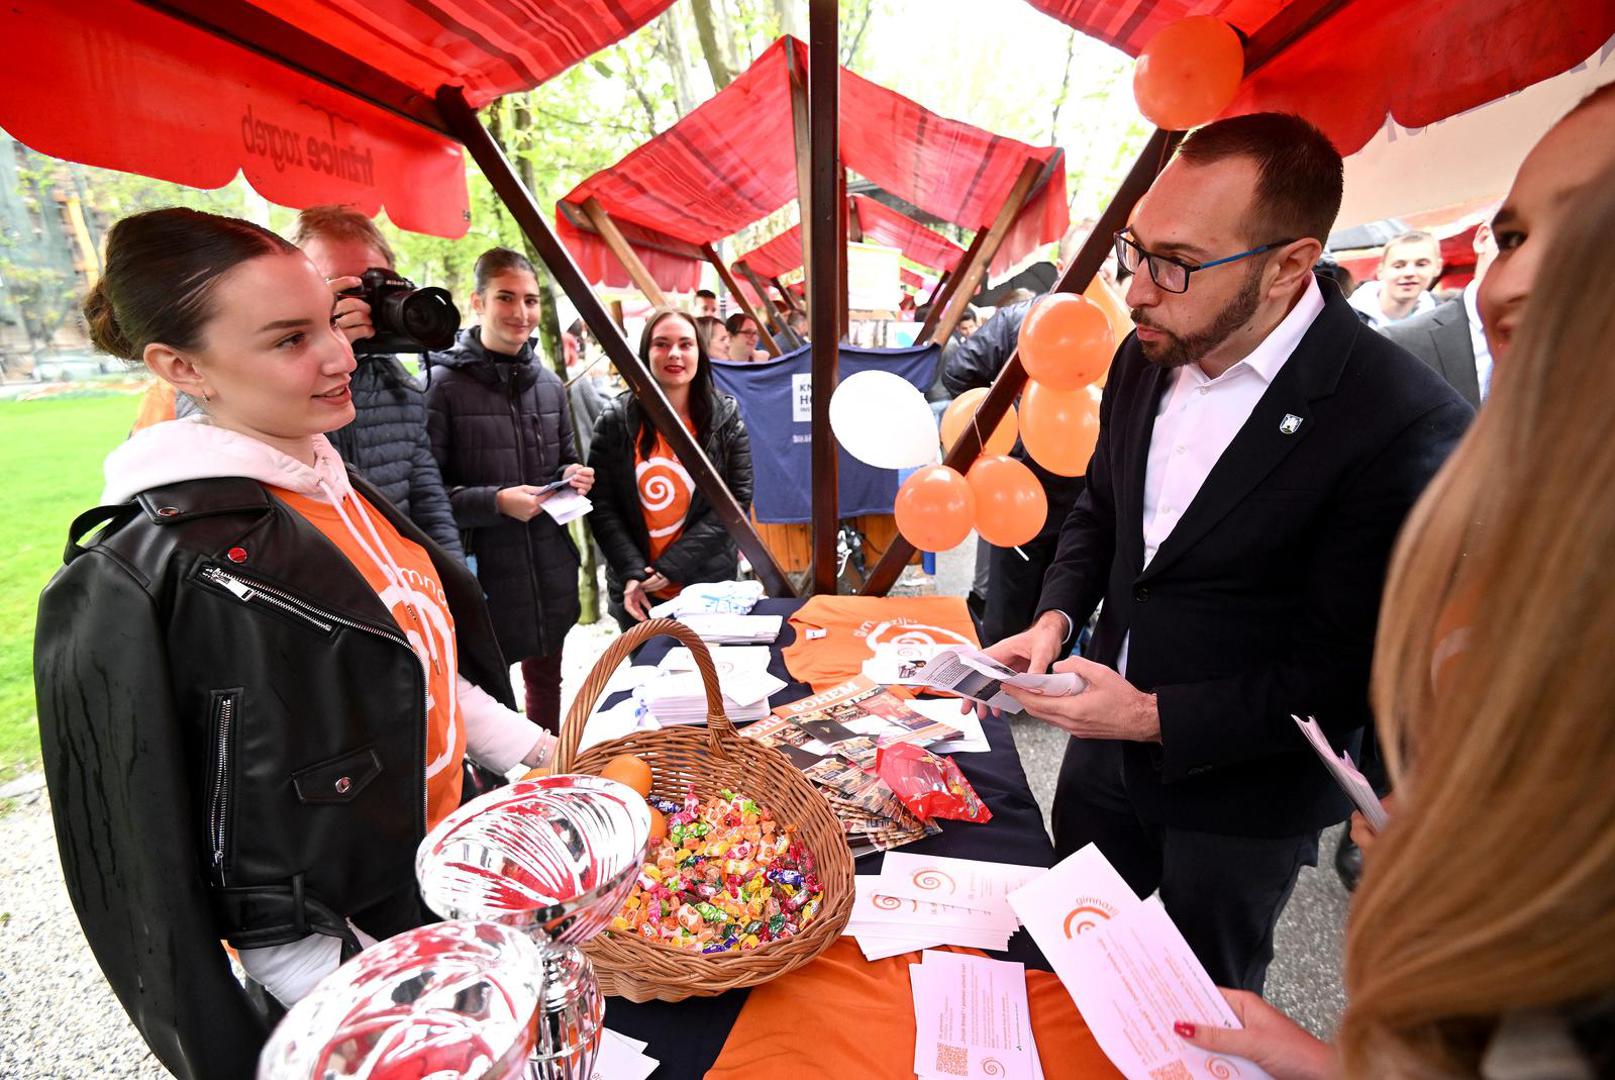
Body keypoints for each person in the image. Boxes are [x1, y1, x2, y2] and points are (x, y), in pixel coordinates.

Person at [33, 208, 554, 1079]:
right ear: (180, 366)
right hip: (353, 962)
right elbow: (235, 869)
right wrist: (375, 1006)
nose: (342, 355)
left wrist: (542, 752)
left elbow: (417, 675)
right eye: (289, 339)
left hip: (437, 887)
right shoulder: (178, 568)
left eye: (328, 320)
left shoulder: (330, 485)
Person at [984, 112, 1472, 992]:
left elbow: (1349, 668)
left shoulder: (1400, 419)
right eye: (1135, 251)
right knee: (1066, 967)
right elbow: (1102, 508)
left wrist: (1148, 715)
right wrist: (1053, 618)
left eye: (1174, 263)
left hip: (1243, 795)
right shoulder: (1148, 350)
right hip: (1100, 760)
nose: (1135, 291)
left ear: (1290, 263)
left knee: (1201, 1006)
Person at [1178, 157, 1615, 1080]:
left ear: (1290, 264)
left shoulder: (1398, 406)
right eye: (1510, 237)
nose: (1513, 279)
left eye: (1587, 233)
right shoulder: (1536, 522)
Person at [176, 205, 465, 558]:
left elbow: (427, 501)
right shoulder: (238, 379)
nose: (361, 308)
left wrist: (457, 586)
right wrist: (314, 343)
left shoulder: (402, 387)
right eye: (342, 290)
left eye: (372, 287)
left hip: (397, 580)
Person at [425, 248, 593, 734]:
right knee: (491, 701)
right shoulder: (441, 386)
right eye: (506, 298)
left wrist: (573, 474)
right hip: (483, 576)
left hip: (548, 565)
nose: (521, 313)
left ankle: (551, 770)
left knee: (547, 683)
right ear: (477, 302)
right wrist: (495, 502)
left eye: (531, 300)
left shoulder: (549, 385)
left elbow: (561, 457)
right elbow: (427, 495)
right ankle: (501, 790)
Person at [587, 309, 752, 630]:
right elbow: (603, 507)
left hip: (708, 589)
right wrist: (633, 571)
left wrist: (673, 565)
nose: (674, 353)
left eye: (685, 344)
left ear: (698, 354)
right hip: (639, 594)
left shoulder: (725, 418)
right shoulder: (615, 420)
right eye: (661, 344)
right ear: (645, 354)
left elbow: (736, 501)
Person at [1347, 229, 1443, 328]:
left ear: (1438, 267)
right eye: (1398, 266)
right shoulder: (1344, 317)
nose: (1409, 273)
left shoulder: (1444, 319)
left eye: (1421, 264)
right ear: (1380, 271)